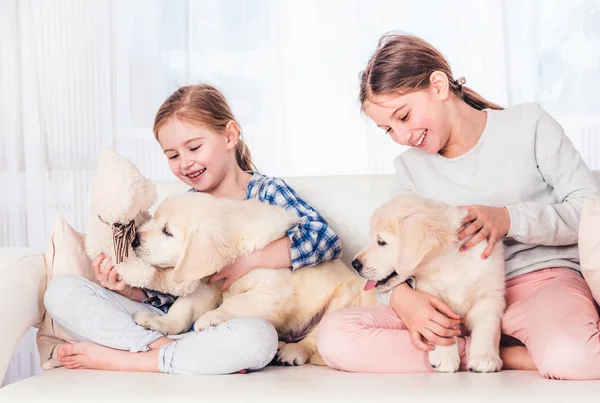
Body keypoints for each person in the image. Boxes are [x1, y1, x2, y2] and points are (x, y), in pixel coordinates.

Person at [316, 33, 600, 380]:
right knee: (336, 337)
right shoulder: (409, 168)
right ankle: (503, 355)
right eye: (387, 129)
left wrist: (510, 218)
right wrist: (404, 301)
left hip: (539, 285)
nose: (402, 137)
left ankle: (505, 349)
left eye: (403, 116)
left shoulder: (529, 125)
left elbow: (590, 209)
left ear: (438, 86)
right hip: (445, 301)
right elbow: (392, 254)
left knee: (578, 356)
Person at [44, 84, 342, 375]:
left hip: (241, 321)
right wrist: (132, 291)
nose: (185, 163)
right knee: (60, 291)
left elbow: (325, 239)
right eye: (172, 155)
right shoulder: (182, 207)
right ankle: (169, 350)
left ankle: (136, 358)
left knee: (258, 337)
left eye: (194, 147)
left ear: (230, 135)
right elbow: (179, 292)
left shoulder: (266, 192)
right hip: (194, 325)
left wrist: (247, 261)